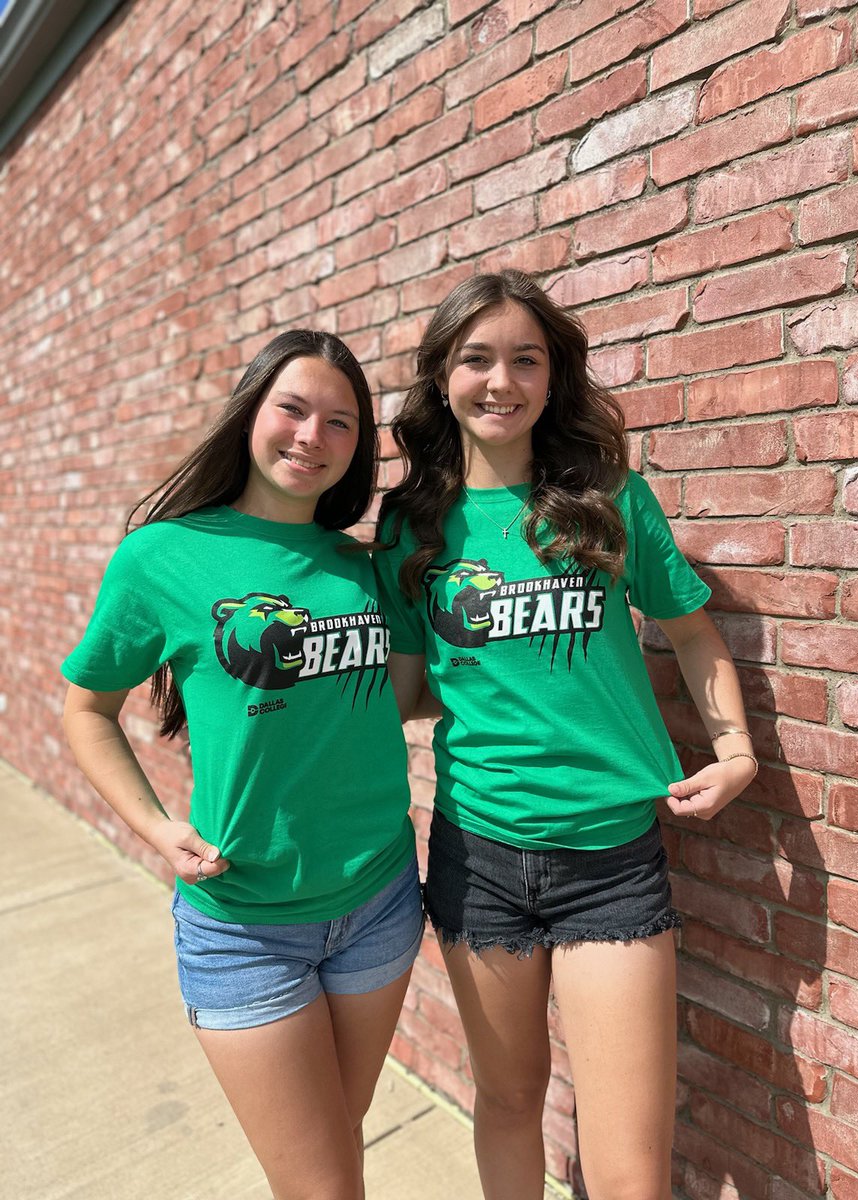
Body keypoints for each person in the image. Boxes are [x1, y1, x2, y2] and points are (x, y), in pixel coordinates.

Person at [372, 271, 757, 1200]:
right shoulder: (412, 525)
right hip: (479, 854)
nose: (499, 381)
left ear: (553, 380)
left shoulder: (609, 497)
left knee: (631, 1175)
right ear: (441, 377)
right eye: (475, 358)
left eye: (525, 360)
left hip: (611, 859)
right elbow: (414, 692)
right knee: (508, 1106)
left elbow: (692, 625)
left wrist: (736, 747)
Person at [62, 330, 423, 1200]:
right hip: (244, 923)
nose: (312, 436)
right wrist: (156, 826)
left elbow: (410, 693)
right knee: (324, 1186)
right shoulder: (164, 555)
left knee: (339, 1144)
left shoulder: (361, 563)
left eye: (341, 423)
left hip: (378, 899)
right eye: (293, 409)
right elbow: (87, 709)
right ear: (250, 412)